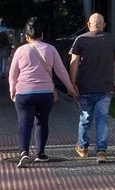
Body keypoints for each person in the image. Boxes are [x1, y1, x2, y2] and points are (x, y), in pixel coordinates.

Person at [9, 17, 77, 168]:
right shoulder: (50, 49)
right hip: (45, 93)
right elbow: (61, 71)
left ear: (26, 36)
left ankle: (24, 153)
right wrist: (70, 88)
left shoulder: (20, 50)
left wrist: (12, 89)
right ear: (42, 34)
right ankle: (41, 153)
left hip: (24, 93)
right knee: (42, 122)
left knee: (24, 123)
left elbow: (13, 73)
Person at [69, 13, 115, 164]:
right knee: (102, 119)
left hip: (85, 86)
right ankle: (101, 151)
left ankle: (82, 147)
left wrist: (72, 82)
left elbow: (74, 62)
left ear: (88, 24)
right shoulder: (113, 40)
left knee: (85, 118)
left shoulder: (81, 39)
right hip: (105, 87)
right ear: (104, 25)